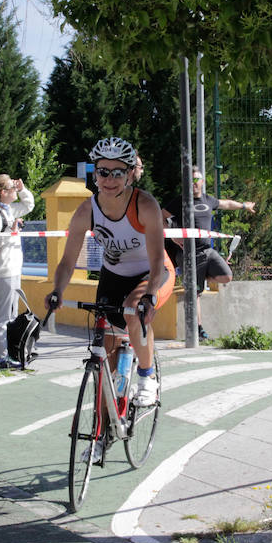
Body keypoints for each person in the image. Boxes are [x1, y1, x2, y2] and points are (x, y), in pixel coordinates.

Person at [45, 137, 174, 421]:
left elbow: (155, 261)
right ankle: (102, 433)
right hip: (113, 277)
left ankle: (146, 376)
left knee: (133, 309)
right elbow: (67, 261)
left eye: (118, 172)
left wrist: (149, 297)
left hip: (152, 272)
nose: (110, 179)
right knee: (106, 357)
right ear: (95, 173)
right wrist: (58, 290)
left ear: (130, 174)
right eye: (104, 171)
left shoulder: (145, 205)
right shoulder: (87, 210)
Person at [161, 168, 255, 341]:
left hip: (207, 251)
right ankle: (199, 329)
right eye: (191, 180)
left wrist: (244, 205)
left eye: (197, 180)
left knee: (226, 276)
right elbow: (161, 217)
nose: (194, 184)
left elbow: (226, 204)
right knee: (194, 293)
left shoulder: (208, 200)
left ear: (202, 182)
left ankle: (202, 277)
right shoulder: (179, 201)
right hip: (188, 253)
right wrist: (174, 237)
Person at [0, 174, 35, 369]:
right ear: (3, 193)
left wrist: (22, 189)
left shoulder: (10, 209)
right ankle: (1, 358)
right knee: (2, 316)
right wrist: (10, 231)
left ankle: (10, 353)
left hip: (13, 269)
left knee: (12, 315)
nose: (15, 191)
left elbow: (29, 205)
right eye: (12, 188)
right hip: (2, 271)